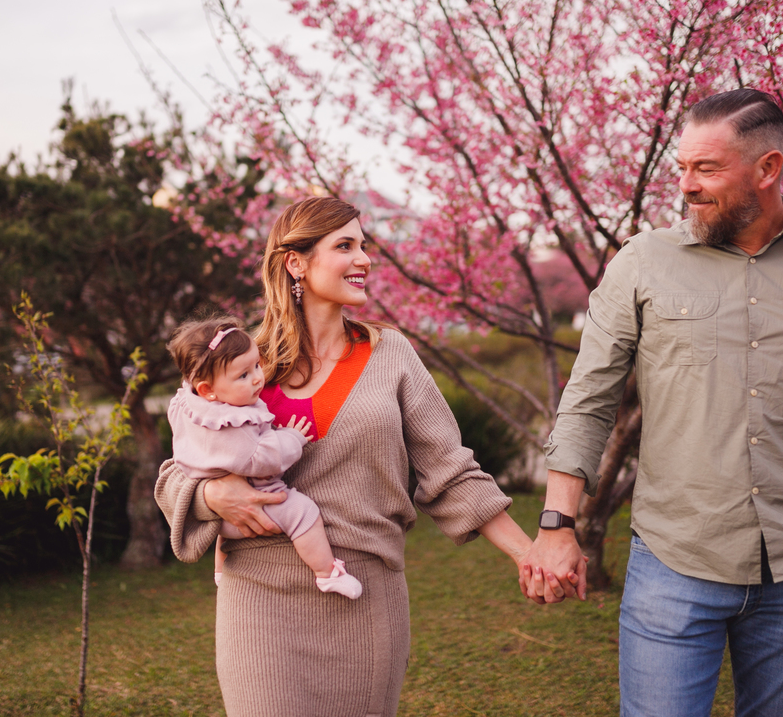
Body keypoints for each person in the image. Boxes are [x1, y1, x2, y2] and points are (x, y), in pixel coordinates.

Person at [521, 89, 783, 717]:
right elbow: (588, 400)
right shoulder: (642, 264)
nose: (686, 187)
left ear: (768, 169)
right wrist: (557, 524)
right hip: (676, 562)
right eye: (681, 168)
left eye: (706, 169)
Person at [153, 196, 536, 716]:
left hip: (364, 597)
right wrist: (210, 494)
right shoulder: (239, 361)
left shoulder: (392, 355)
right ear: (296, 263)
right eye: (345, 246)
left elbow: (450, 470)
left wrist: (527, 553)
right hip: (258, 599)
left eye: (365, 246)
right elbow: (177, 470)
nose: (365, 259)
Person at [165, 317, 362, 598]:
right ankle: (327, 572)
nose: (258, 377)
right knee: (302, 512)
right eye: (243, 375)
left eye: (256, 365)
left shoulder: (189, 405)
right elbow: (265, 457)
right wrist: (293, 437)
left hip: (219, 517)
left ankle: (220, 572)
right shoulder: (234, 422)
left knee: (227, 531)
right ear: (207, 389)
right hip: (256, 501)